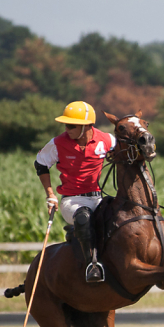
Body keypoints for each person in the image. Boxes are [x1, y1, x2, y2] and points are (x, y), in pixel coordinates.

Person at [34, 101, 116, 283]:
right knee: (83, 218)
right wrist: (50, 194)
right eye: (66, 124)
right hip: (72, 201)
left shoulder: (107, 140)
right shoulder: (57, 143)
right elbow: (41, 164)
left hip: (98, 198)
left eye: (71, 125)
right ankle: (92, 265)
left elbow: (125, 150)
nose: (67, 129)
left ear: (87, 126)